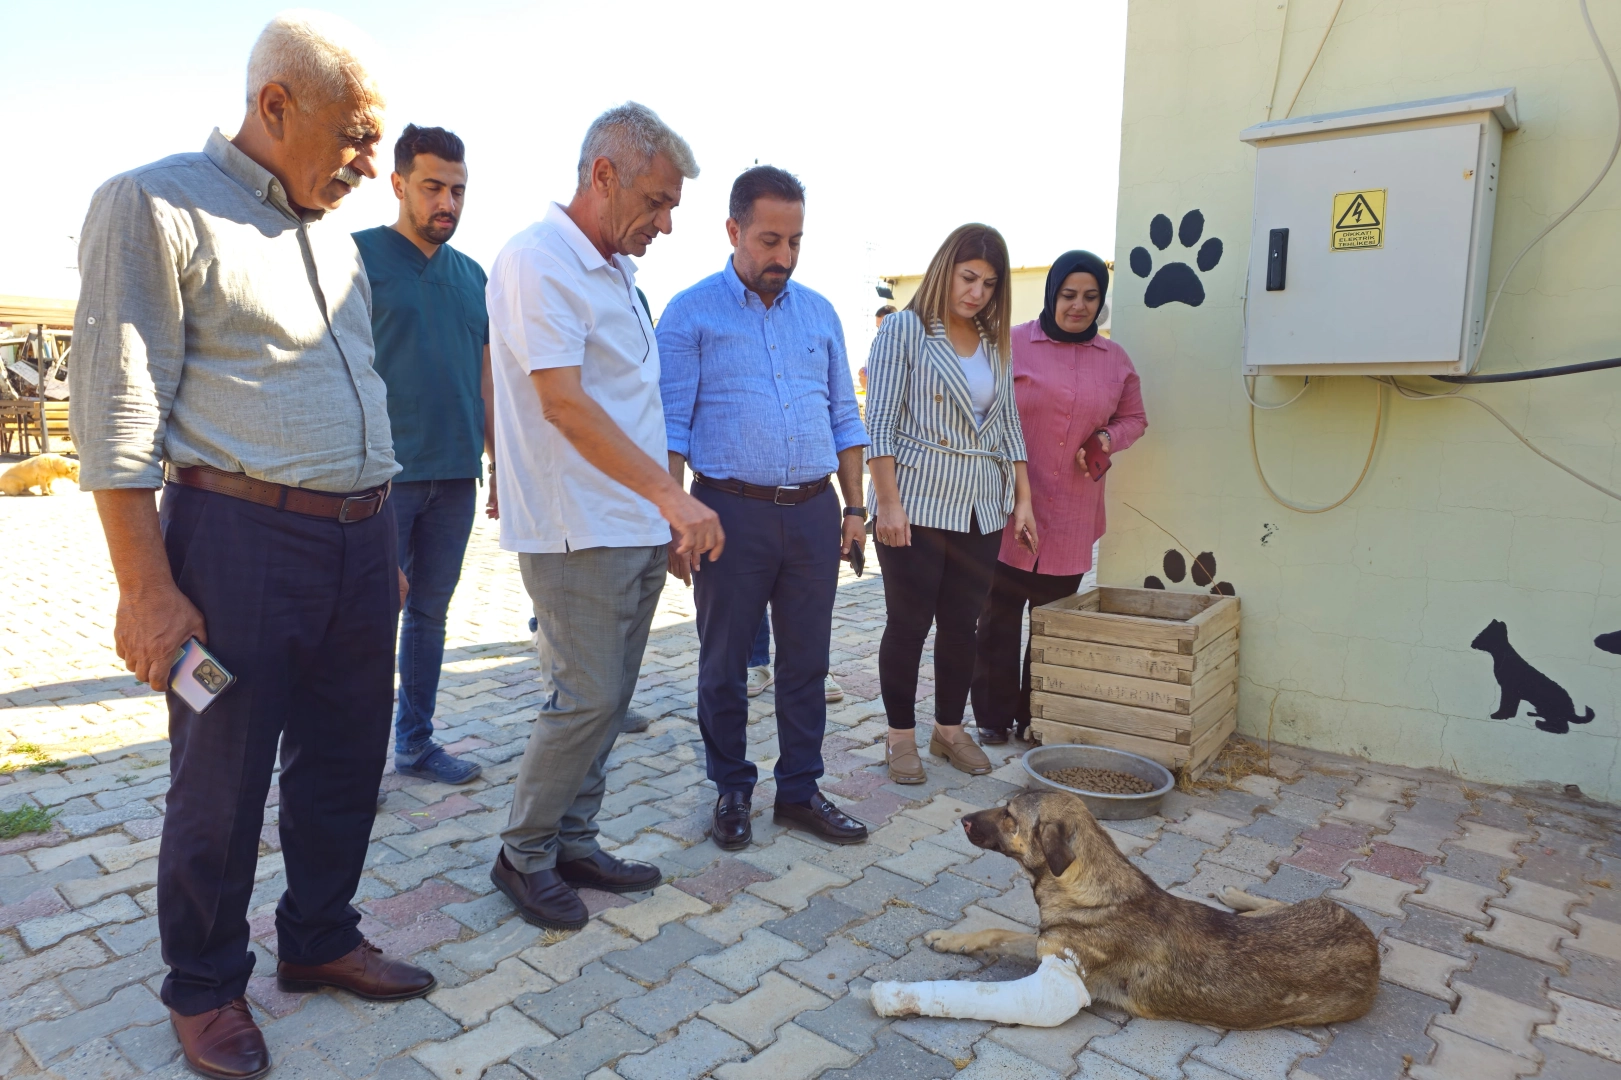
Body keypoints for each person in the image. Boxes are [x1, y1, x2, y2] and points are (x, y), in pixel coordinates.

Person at [68, 13, 437, 1079]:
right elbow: (116, 412)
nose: (375, 161)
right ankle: (204, 987)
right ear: (275, 105)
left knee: (346, 759)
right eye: (358, 134)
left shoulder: (337, 235)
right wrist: (147, 591)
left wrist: (376, 541)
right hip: (229, 550)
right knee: (220, 777)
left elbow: (352, 389)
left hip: (361, 548)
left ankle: (318, 938)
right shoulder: (155, 203)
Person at [487, 102, 721, 930]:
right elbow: (565, 406)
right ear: (602, 175)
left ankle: (572, 840)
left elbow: (635, 404)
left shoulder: (615, 270)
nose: (663, 223)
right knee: (582, 698)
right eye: (656, 202)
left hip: (630, 523)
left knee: (612, 697)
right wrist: (671, 497)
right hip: (573, 525)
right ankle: (522, 854)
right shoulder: (536, 261)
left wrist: (663, 513)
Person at [659, 166, 869, 850]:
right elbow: (670, 429)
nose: (783, 256)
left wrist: (855, 507)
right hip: (728, 514)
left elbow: (844, 416)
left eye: (795, 241)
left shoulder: (820, 313)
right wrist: (672, 519)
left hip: (813, 512)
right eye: (769, 240)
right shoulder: (690, 313)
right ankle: (732, 787)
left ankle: (800, 792)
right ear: (733, 231)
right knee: (722, 664)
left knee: (806, 662)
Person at [865, 224, 1038, 785]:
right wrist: (888, 505)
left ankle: (948, 731)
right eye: (968, 277)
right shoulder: (906, 332)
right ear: (945, 270)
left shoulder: (995, 342)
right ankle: (898, 738)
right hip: (915, 500)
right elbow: (881, 425)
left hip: (979, 506)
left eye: (989, 283)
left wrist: (1024, 502)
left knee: (963, 625)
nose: (976, 292)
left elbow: (1009, 424)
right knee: (909, 624)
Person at [353, 124, 489, 786]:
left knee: (431, 614)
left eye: (458, 190)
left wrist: (499, 464)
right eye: (434, 187)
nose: (448, 203)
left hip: (456, 475)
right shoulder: (355, 259)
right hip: (383, 481)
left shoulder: (473, 277)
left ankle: (415, 743)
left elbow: (486, 375)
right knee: (369, 621)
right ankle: (354, 765)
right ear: (399, 184)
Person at [972, 252, 1146, 743]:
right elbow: (981, 409)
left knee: (1052, 624)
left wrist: (1107, 439)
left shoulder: (1115, 361)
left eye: (1090, 297)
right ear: (1052, 294)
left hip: (1071, 510)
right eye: (1068, 295)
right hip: (1008, 506)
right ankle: (991, 716)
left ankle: (1037, 716)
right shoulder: (1012, 345)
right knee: (997, 617)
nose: (1078, 306)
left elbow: (1135, 417)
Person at [858, 304, 896, 393]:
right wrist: (863, 378)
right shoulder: (874, 350)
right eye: (878, 327)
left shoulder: (906, 349)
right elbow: (867, 388)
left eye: (883, 327)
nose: (879, 331)